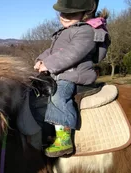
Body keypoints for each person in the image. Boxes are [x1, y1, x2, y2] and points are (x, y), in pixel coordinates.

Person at [33, 0, 110, 157]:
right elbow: (52, 51)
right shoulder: (66, 31)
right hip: (62, 73)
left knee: (58, 95)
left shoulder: (87, 32)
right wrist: (40, 60)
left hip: (74, 75)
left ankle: (64, 140)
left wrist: (48, 65)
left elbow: (71, 54)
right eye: (63, 12)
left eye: (71, 13)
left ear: (85, 14)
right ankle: (47, 130)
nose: (65, 16)